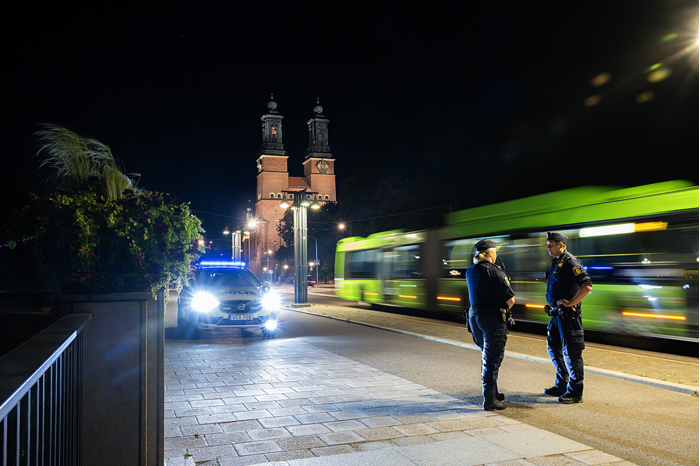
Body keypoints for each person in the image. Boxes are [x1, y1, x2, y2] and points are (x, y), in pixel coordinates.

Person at [466, 239, 515, 411]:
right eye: (494, 252)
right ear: (489, 254)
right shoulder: (495, 272)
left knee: (486, 355)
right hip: (492, 319)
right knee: (492, 359)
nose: (496, 255)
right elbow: (510, 300)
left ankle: (493, 393)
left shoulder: (470, 271)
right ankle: (489, 400)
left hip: (474, 317)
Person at [543, 232, 593, 404]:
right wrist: (552, 305)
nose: (548, 247)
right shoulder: (557, 262)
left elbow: (587, 286)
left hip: (568, 317)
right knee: (553, 349)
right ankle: (562, 384)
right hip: (556, 315)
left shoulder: (571, 262)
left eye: (551, 244)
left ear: (561, 245)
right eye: (548, 244)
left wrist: (571, 302)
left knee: (571, 353)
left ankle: (575, 391)